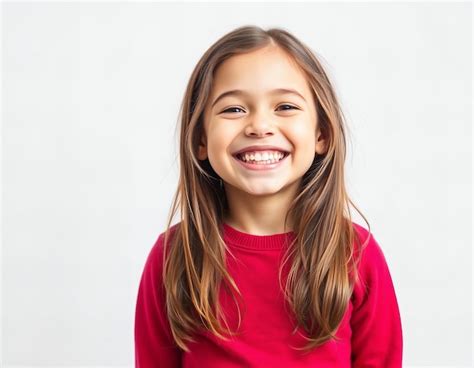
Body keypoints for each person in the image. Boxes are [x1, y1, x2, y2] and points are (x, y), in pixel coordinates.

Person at [134, 25, 403, 367]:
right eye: (233, 109)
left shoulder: (356, 254)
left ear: (321, 134)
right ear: (200, 139)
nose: (260, 126)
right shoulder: (174, 257)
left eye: (286, 106)